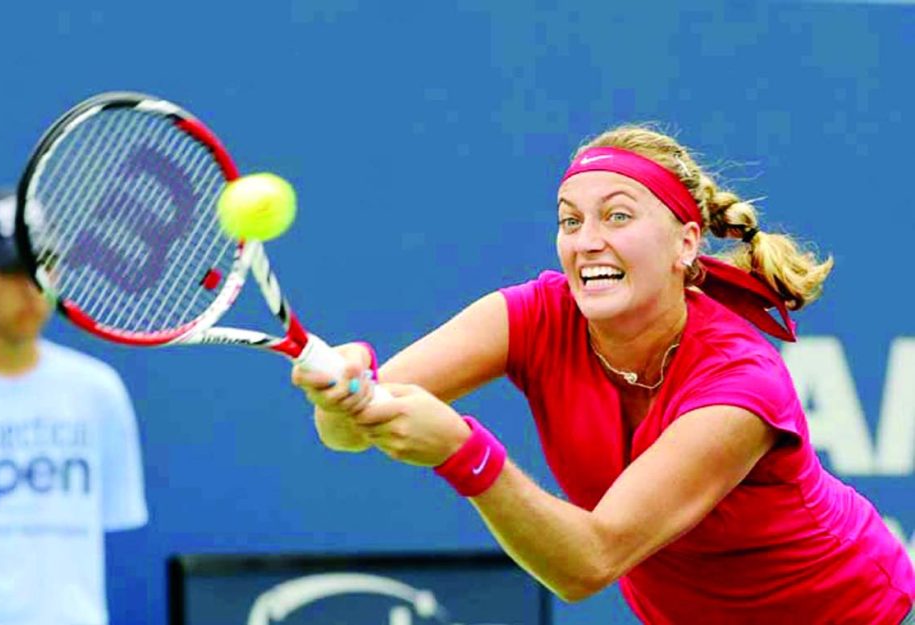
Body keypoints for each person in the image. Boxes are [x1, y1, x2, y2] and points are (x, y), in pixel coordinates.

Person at [292, 125, 915, 624]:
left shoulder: (739, 384)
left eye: (617, 216)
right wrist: (340, 392)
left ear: (686, 244)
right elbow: (348, 433)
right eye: (570, 220)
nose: (587, 240)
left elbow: (588, 564)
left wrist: (462, 451)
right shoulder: (533, 315)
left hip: (854, 611)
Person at [0, 188, 148, 624]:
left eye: (43, 267)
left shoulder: (97, 391)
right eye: (10, 270)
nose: (32, 289)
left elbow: (110, 517)